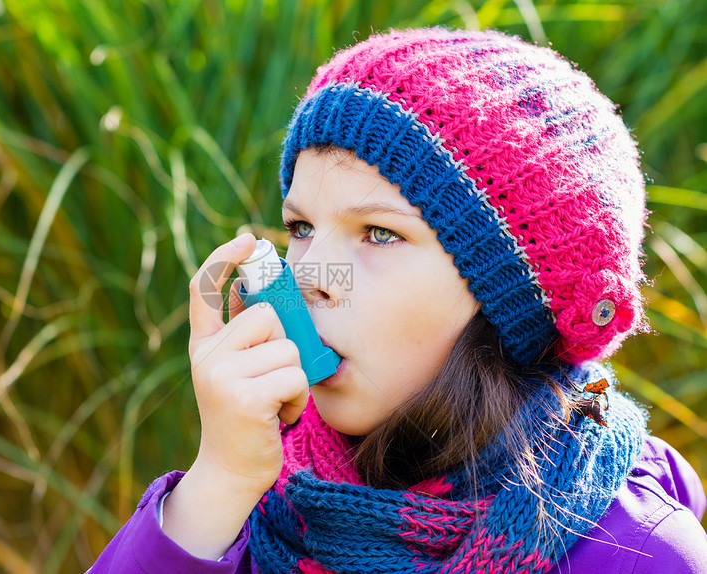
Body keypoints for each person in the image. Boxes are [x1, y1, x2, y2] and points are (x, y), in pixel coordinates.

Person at [88, 27, 707, 573]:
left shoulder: (637, 554)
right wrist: (217, 482)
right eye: (301, 228)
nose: (312, 275)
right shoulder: (245, 507)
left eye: (379, 234)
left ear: (509, 302)